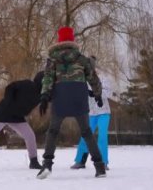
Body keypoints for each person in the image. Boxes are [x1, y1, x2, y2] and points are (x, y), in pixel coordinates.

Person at [36, 27, 106, 179]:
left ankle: (47, 165)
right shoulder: (81, 59)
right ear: (72, 40)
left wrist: (44, 97)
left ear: (59, 40)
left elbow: (47, 79)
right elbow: (93, 77)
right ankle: (100, 167)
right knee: (86, 132)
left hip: (60, 97)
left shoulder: (52, 60)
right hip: (78, 97)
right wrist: (97, 94)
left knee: (53, 131)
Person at [71, 56, 112, 170]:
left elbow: (109, 93)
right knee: (85, 135)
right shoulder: (82, 80)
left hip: (104, 112)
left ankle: (103, 162)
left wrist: (95, 93)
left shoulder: (103, 78)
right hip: (90, 113)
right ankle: (80, 161)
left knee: (102, 136)